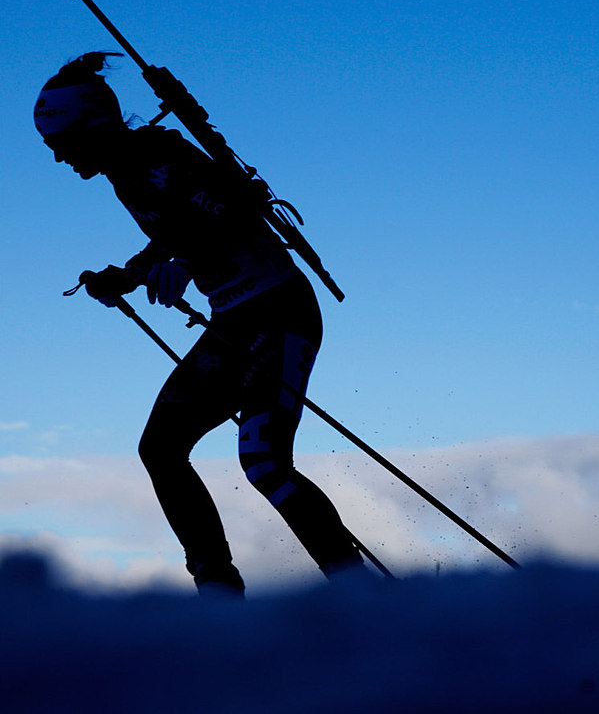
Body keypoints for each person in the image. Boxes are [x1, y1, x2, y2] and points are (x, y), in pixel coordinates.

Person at [34, 52, 367, 596]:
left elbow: (229, 211)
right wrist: (130, 274)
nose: (58, 158)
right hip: (236, 321)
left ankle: (359, 595)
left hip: (279, 312)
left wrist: (183, 263)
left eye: (62, 144)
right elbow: (177, 230)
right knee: (161, 450)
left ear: (93, 126)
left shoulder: (157, 155)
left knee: (263, 462)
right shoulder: (127, 169)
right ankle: (217, 591)